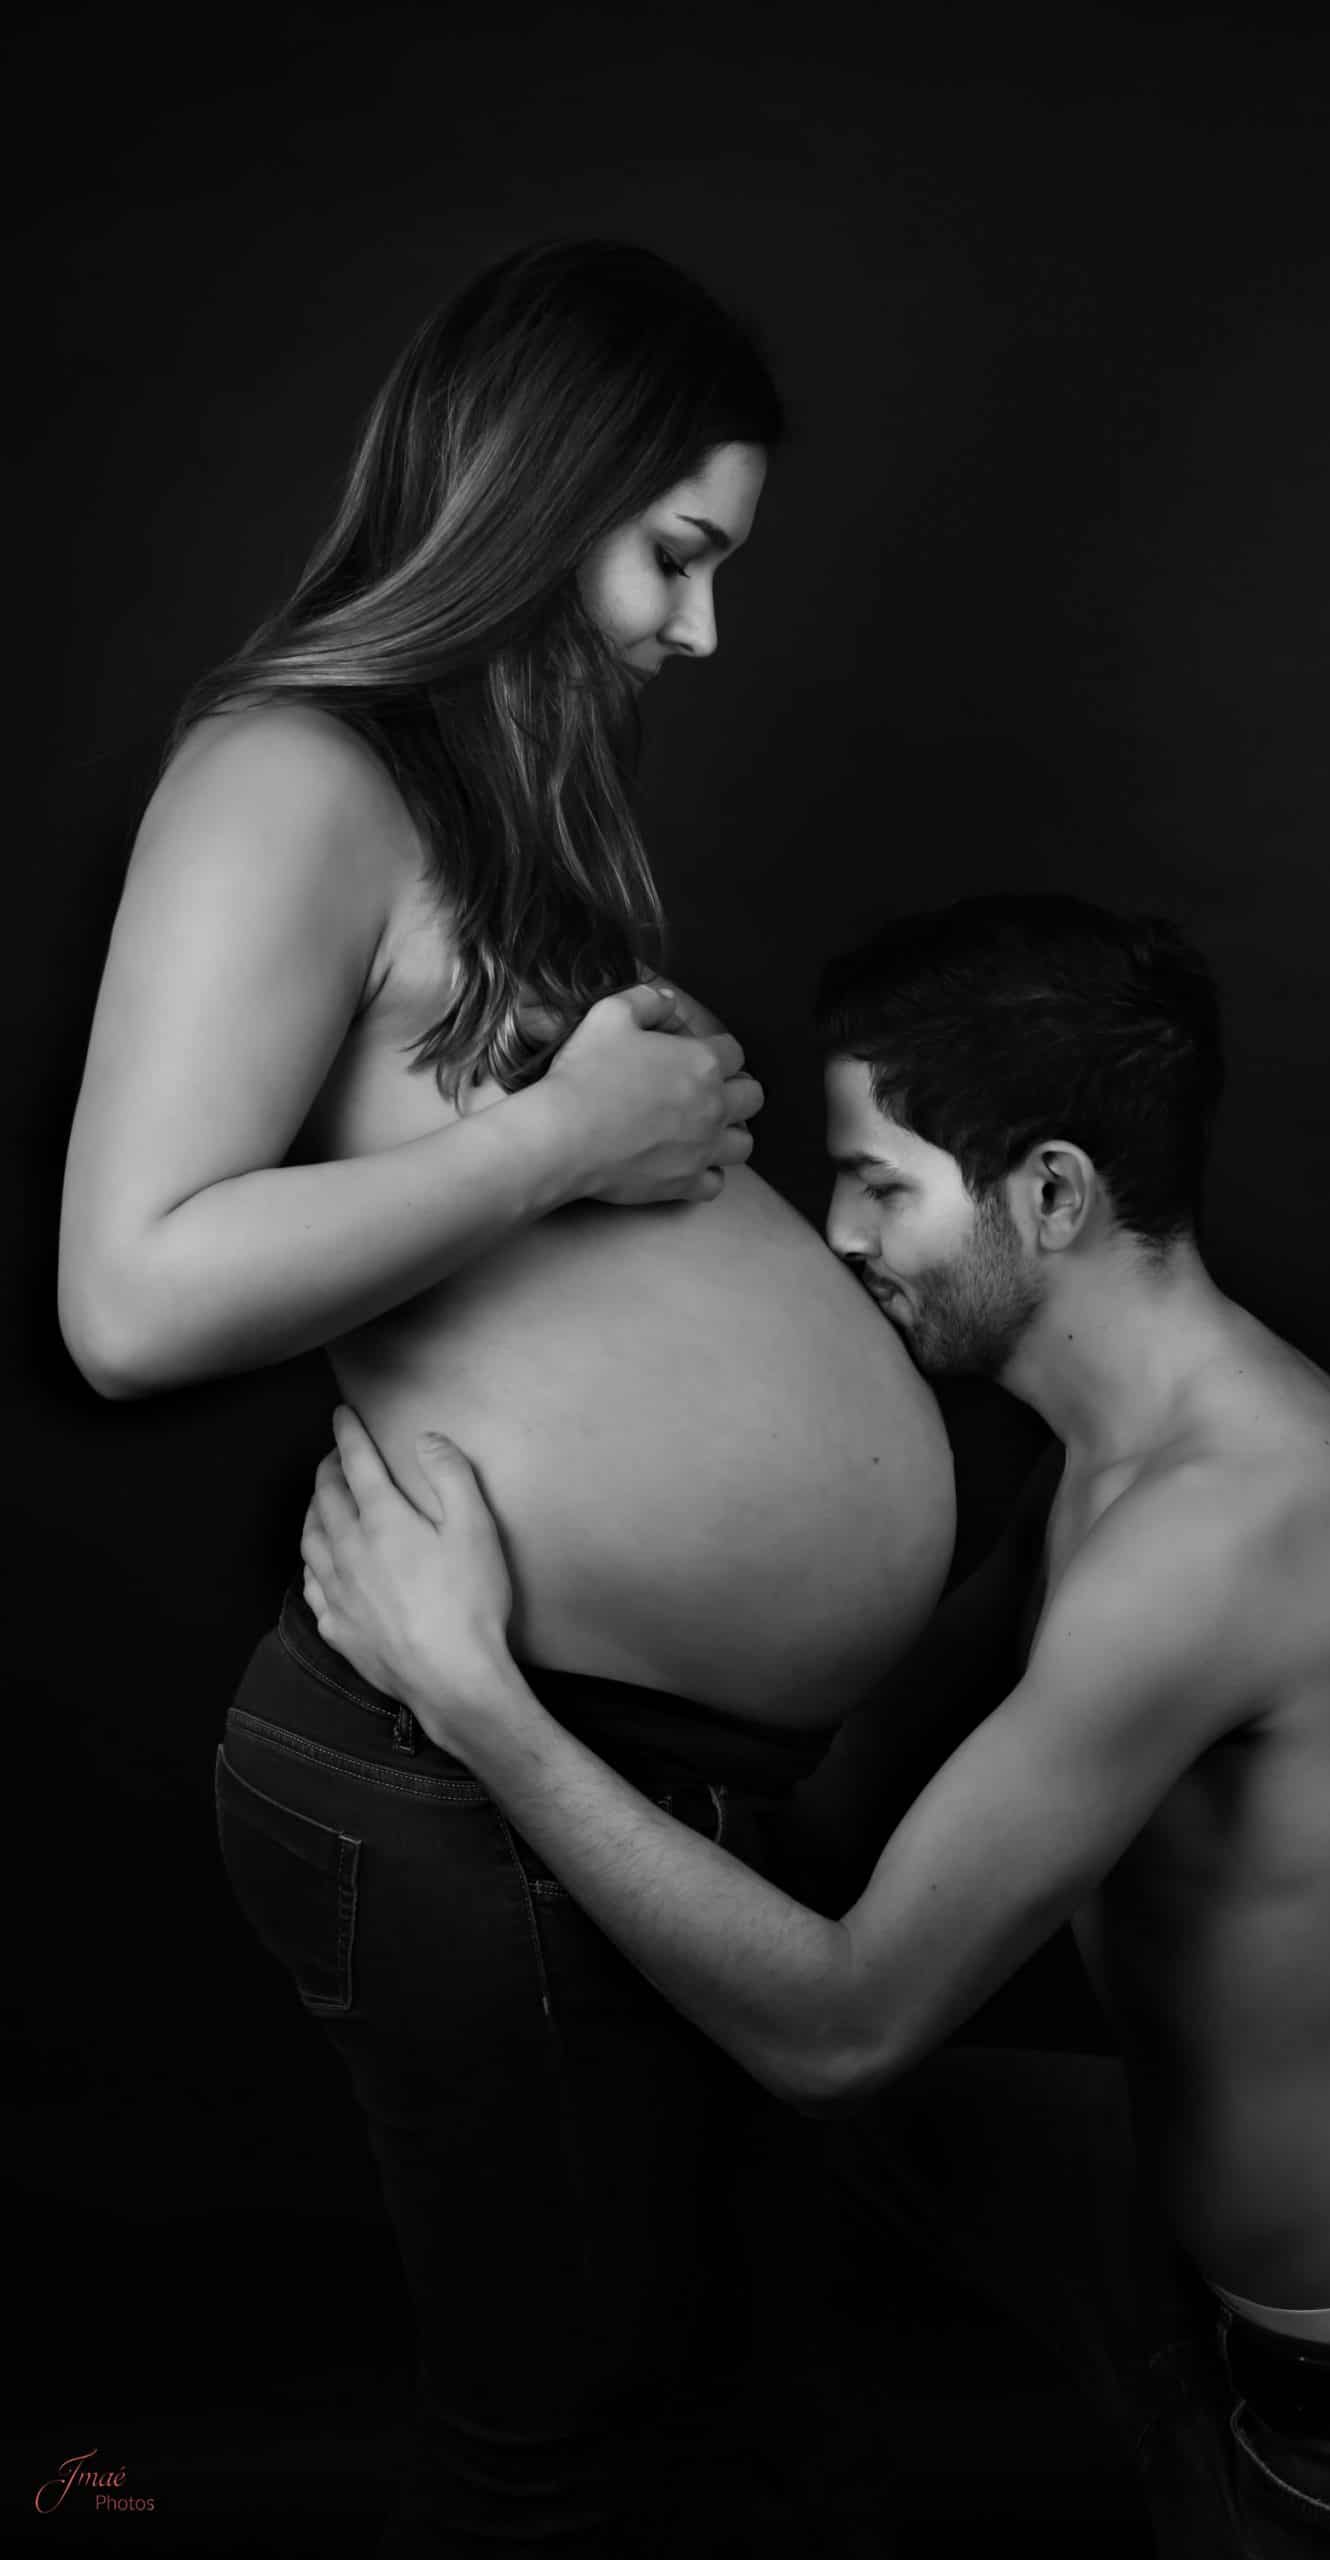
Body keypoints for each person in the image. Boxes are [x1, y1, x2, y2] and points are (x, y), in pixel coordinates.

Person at [300, 893, 1330, 2556]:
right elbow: (840, 1811)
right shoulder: (1109, 1462)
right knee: (679, 2114)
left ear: (1053, 1195)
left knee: (791, 2075)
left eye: (881, 1183)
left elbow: (844, 2022)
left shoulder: (1218, 1539)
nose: (841, 1234)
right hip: (1235, 2273)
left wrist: (469, 1689)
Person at [59, 239, 956, 2555]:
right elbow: (130, 1292)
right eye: (679, 552)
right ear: (538, 487)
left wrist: (653, 1138)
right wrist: (564, 1138)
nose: (699, 630)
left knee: (745, 2424)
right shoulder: (291, 772)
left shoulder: (504, 806)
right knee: (563, 2455)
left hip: (668, 1782)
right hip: (453, 1774)